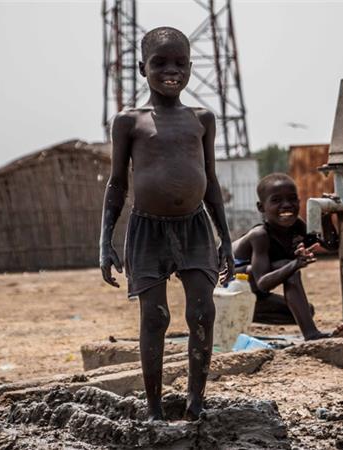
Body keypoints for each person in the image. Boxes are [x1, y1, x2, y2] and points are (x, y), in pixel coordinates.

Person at [99, 26, 234, 421]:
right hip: (147, 230)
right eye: (160, 63)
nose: (170, 71)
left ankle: (195, 403)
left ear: (191, 67)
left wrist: (225, 239)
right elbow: (117, 183)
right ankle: (155, 409)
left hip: (194, 228)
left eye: (179, 63)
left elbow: (210, 182)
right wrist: (104, 241)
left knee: (202, 314)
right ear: (143, 68)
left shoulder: (202, 119)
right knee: (155, 317)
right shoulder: (129, 121)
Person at [232, 173, 343, 340]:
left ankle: (235, 316)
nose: (286, 205)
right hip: (228, 291)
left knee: (305, 311)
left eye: (292, 199)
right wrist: (295, 264)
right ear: (261, 207)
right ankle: (312, 335)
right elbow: (263, 283)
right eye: (276, 200)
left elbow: (330, 245)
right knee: (287, 266)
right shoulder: (259, 235)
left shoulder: (297, 226)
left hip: (253, 301)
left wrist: (326, 215)